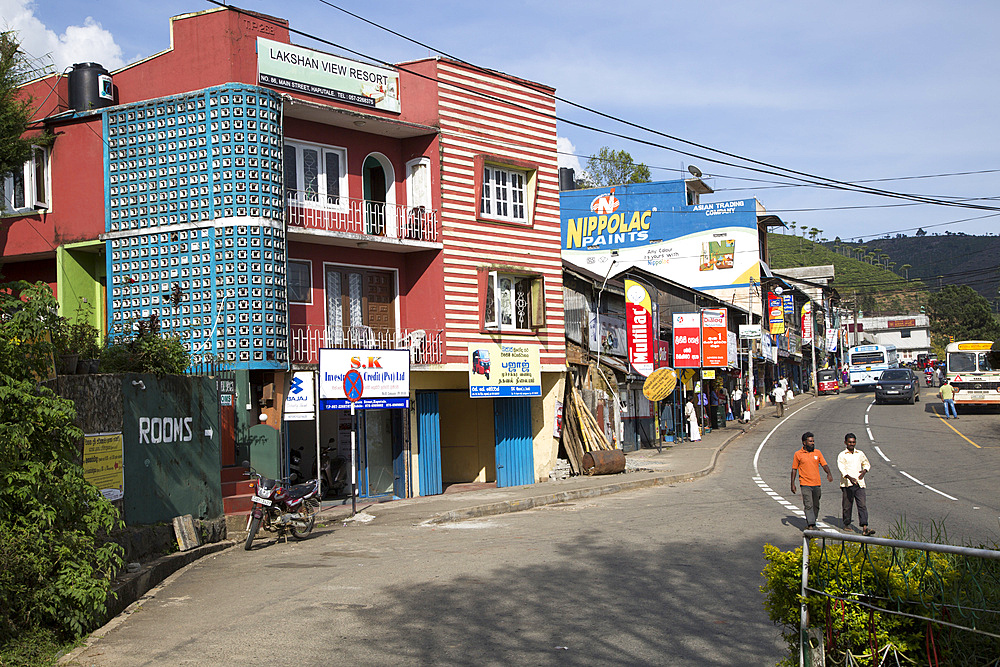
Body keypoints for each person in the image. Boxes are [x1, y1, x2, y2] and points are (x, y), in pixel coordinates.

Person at [791, 432, 834, 530]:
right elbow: (794, 469)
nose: (812, 443)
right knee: (808, 504)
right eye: (810, 441)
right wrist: (792, 484)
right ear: (804, 443)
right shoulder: (798, 454)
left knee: (816, 505)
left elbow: (824, 464)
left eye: (813, 441)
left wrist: (829, 473)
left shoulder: (817, 453)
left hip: (816, 484)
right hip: (805, 484)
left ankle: (812, 521)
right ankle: (811, 525)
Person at [837, 433, 874, 536]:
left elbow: (866, 463)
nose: (851, 444)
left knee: (862, 505)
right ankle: (847, 524)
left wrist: (864, 471)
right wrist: (849, 478)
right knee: (847, 506)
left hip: (859, 484)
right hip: (847, 484)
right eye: (849, 442)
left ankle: (865, 527)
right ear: (845, 443)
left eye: (853, 442)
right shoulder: (842, 455)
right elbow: (842, 468)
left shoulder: (859, 453)